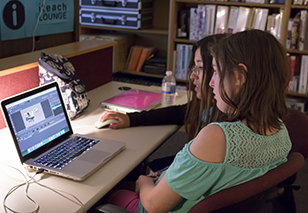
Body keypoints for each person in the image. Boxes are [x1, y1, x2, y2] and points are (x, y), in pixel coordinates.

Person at [103, 30, 292, 213]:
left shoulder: (217, 136)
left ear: (239, 76)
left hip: (156, 205)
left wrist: (143, 181)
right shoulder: (281, 130)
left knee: (105, 193)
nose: (211, 82)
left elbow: (153, 205)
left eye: (216, 72)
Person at [99, 34, 228, 142]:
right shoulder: (205, 105)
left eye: (200, 67)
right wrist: (130, 119)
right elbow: (179, 113)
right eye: (194, 67)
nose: (193, 75)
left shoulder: (226, 123)